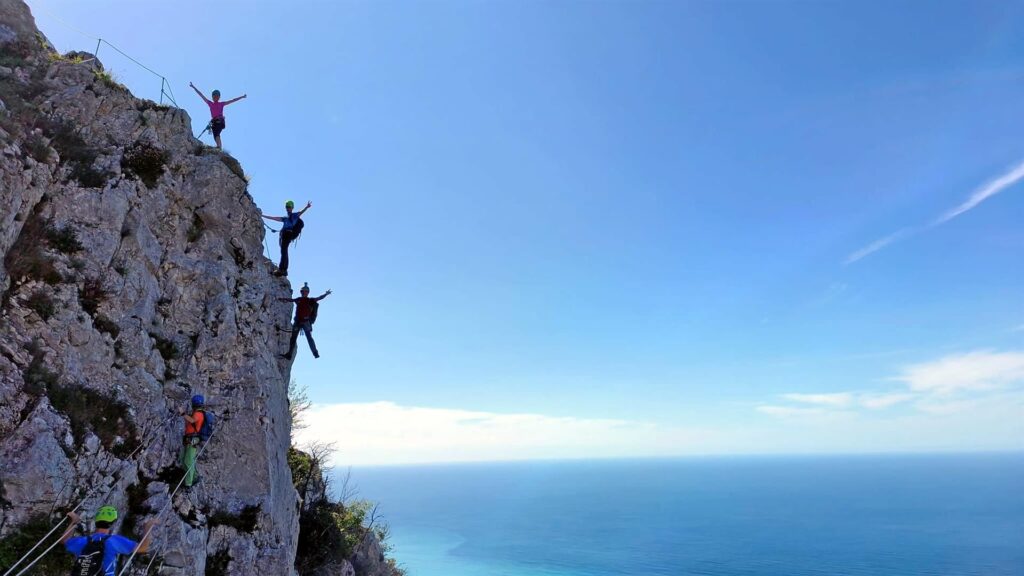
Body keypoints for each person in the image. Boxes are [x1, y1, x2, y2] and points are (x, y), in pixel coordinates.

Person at [61, 506, 155, 576]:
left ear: (96, 522)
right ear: (112, 524)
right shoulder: (113, 541)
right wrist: (147, 528)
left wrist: (74, 522)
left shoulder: (83, 541)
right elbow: (143, 547)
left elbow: (64, 540)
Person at [279, 283, 331, 360]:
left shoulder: (310, 300)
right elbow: (291, 300)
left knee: (309, 338)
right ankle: (289, 355)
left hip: (305, 322)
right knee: (293, 338)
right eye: (303, 291)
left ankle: (315, 353)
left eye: (305, 292)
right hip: (298, 322)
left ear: (307, 293)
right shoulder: (299, 299)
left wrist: (326, 294)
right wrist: (283, 299)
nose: (303, 293)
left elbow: (319, 298)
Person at [189, 82, 246, 149]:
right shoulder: (211, 104)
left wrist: (242, 97)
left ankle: (219, 147)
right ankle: (219, 147)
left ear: (218, 97)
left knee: (216, 134)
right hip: (216, 122)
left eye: (216, 96)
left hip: (219, 121)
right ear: (213, 97)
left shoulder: (220, 104)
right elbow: (201, 95)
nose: (215, 97)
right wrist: (193, 87)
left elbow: (233, 100)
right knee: (216, 134)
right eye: (214, 96)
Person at [261, 200, 311, 277]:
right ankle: (283, 269)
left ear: (292, 208)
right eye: (287, 207)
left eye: (289, 207)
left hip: (287, 234)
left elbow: (301, 212)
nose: (287, 208)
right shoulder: (285, 218)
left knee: (284, 251)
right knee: (284, 251)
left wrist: (306, 207)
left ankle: (282, 269)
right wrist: (263, 216)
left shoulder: (294, 216)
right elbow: (274, 218)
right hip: (285, 234)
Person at [179, 395, 206, 488]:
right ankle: (194, 477)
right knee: (184, 460)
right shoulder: (198, 413)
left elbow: (192, 420)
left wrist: (183, 413)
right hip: (190, 439)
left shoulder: (198, 414)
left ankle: (188, 483)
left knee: (188, 461)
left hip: (192, 440)